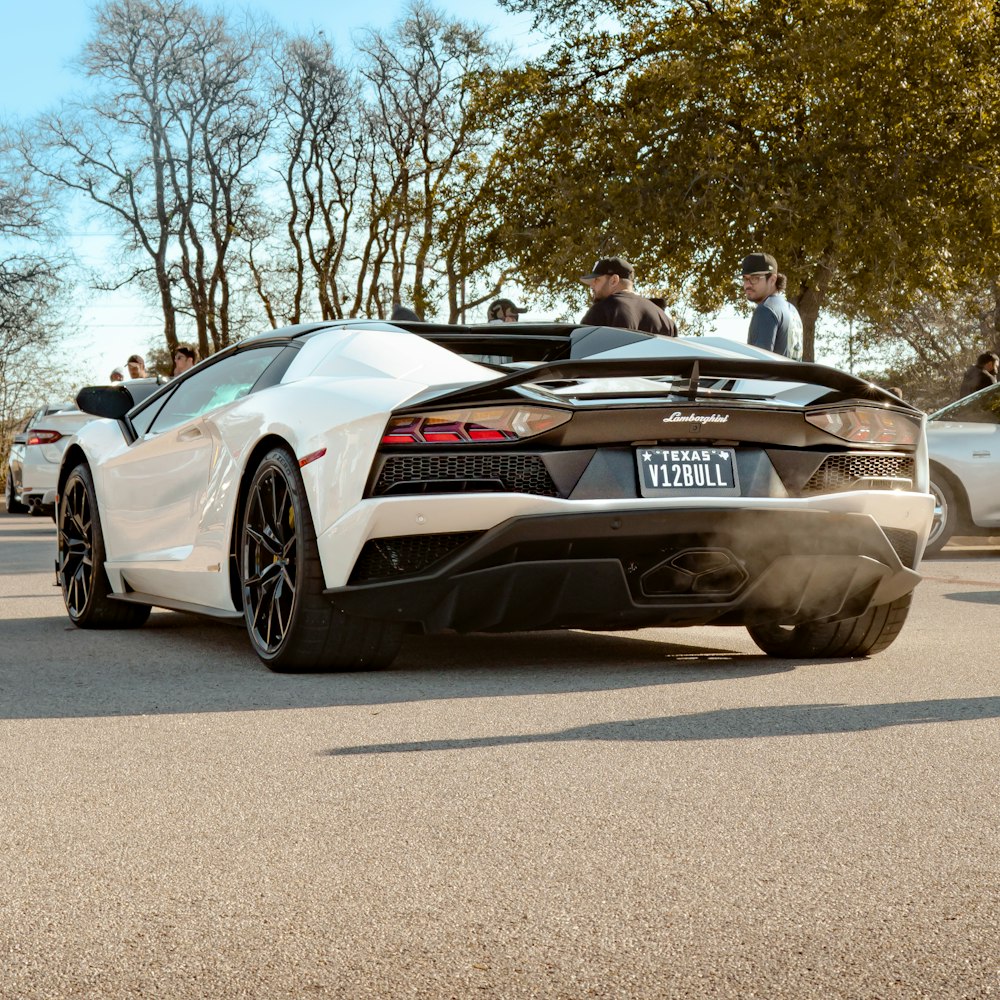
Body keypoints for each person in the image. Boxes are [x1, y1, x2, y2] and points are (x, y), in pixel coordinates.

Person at [579, 257, 677, 336]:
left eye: (597, 279)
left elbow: (579, 353)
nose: (592, 286)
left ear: (614, 280)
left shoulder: (603, 310)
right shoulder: (665, 320)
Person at [741, 252, 803, 359]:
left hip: (775, 376)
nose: (747, 284)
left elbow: (759, 364)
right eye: (745, 278)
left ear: (772, 280)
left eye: (755, 278)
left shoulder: (766, 309)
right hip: (792, 376)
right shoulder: (792, 310)